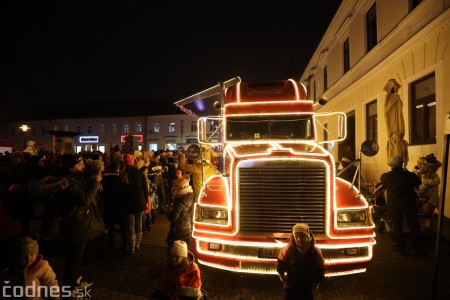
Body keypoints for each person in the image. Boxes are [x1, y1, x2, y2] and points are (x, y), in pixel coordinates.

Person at [58, 153, 103, 291]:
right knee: (73, 258)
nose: (82, 165)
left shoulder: (76, 178)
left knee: (76, 256)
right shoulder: (70, 182)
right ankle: (70, 288)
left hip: (79, 223)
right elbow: (85, 200)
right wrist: (95, 183)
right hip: (76, 224)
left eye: (82, 163)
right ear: (70, 168)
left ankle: (73, 280)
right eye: (79, 164)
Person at [380, 156, 424, 257]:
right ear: (402, 164)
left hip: (394, 204)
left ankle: (400, 248)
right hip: (409, 203)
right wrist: (406, 171)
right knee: (414, 225)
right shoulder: (410, 175)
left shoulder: (385, 176)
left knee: (397, 225)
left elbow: (384, 185)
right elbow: (418, 181)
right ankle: (418, 249)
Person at [276, 223, 325, 300]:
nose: (299, 239)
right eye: (296, 237)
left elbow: (320, 267)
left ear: (308, 236)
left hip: (307, 289)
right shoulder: (288, 249)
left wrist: (318, 280)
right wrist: (281, 275)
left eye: (302, 236)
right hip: (290, 289)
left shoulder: (315, 251)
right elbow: (281, 263)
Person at [118, 154, 148, 255]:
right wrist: (146, 201)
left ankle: (132, 247)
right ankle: (138, 245)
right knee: (139, 223)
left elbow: (120, 191)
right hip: (139, 201)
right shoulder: (139, 173)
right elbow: (145, 189)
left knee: (130, 225)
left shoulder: (122, 174)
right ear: (133, 161)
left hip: (127, 203)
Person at [415, 153, 442, 233]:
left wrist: (420, 188)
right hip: (425, 197)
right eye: (418, 162)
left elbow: (434, 182)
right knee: (426, 215)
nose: (419, 164)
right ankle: (427, 231)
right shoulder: (423, 173)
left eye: (421, 163)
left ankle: (428, 233)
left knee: (428, 215)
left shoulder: (429, 174)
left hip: (430, 198)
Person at [166, 174, 194, 248]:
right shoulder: (190, 196)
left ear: (181, 187)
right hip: (187, 228)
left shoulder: (179, 201)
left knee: (175, 249)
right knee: (184, 249)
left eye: (176, 186)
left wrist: (168, 212)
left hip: (178, 230)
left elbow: (173, 217)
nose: (174, 188)